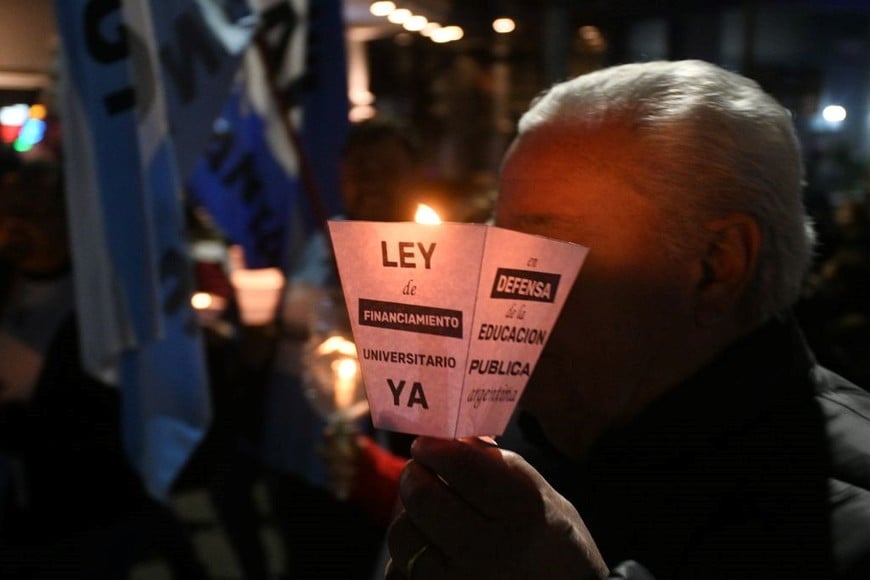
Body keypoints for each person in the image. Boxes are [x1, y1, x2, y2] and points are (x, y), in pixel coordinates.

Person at [384, 60, 870, 579]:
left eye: (540, 247)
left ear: (716, 265)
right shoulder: (515, 451)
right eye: (494, 241)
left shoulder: (844, 523)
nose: (489, 288)